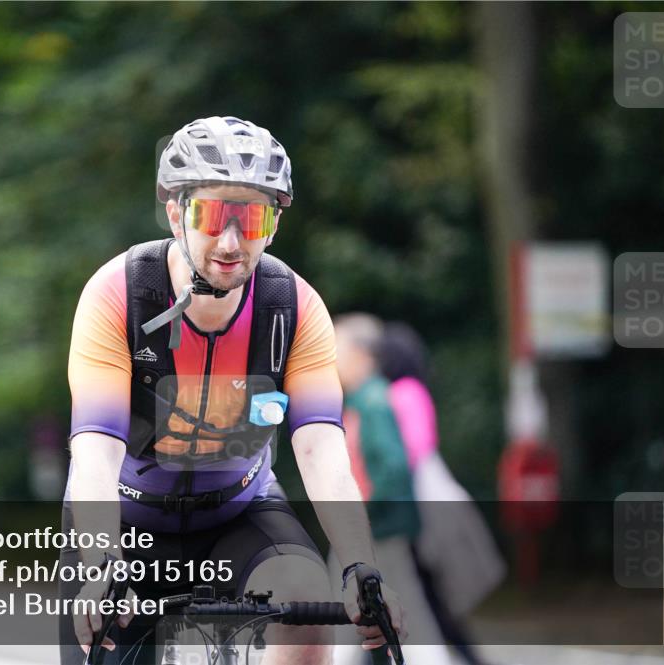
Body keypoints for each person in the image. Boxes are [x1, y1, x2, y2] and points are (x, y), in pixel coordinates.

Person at [61, 116, 404, 665]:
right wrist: (101, 562)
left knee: (307, 606)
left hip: (238, 512)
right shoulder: (118, 293)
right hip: (127, 521)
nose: (230, 240)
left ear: (272, 225)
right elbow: (96, 450)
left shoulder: (293, 306)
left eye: (251, 218)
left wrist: (360, 566)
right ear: (176, 214)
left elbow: (320, 446)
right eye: (213, 215)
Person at [376, 322, 503, 665]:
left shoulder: (402, 392)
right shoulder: (412, 390)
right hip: (420, 503)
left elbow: (414, 449)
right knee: (420, 593)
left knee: (420, 592)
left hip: (419, 507)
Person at [331, 314, 451, 665]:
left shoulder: (374, 402)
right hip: (369, 529)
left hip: (377, 530)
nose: (331, 358)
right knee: (373, 607)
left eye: (338, 348)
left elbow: (394, 467)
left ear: (362, 355)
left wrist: (363, 512)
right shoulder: (361, 400)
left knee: (399, 608)